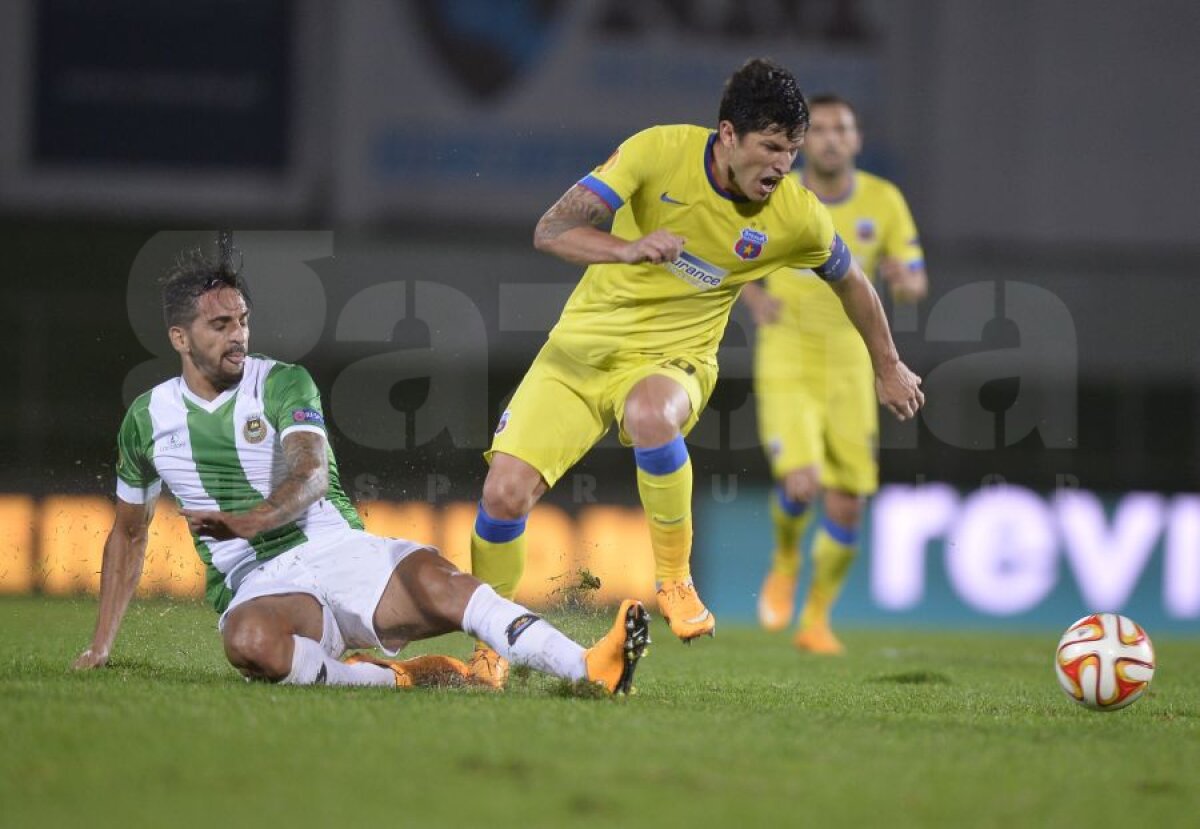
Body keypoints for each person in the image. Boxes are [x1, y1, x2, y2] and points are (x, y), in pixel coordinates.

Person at [467, 60, 924, 687]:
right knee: (502, 495)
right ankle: (490, 645)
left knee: (651, 414)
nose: (781, 166)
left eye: (791, 151)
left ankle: (676, 581)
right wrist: (624, 247)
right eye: (770, 147)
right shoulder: (658, 152)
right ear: (728, 135)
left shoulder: (795, 214)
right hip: (578, 354)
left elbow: (854, 283)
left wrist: (888, 364)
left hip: (673, 362)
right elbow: (553, 228)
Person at [72, 248, 650, 696]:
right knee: (248, 642)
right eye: (219, 325)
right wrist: (101, 645)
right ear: (180, 338)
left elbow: (312, 473)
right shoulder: (146, 421)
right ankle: (389, 679)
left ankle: (586, 668)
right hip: (260, 586)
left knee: (442, 583)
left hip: (336, 547)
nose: (238, 335)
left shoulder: (279, 382)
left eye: (243, 320)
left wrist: (255, 517)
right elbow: (128, 533)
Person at [741, 94, 929, 654]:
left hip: (852, 362)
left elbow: (916, 280)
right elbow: (728, 248)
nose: (828, 138)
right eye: (817, 129)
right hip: (788, 356)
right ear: (803, 141)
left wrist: (904, 279)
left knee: (848, 501)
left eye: (839, 129)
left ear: (856, 139)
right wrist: (752, 296)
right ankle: (784, 560)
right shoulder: (778, 191)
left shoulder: (884, 200)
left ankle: (817, 620)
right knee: (802, 481)